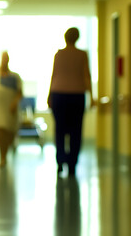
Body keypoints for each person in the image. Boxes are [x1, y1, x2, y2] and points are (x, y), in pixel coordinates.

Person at [47, 27, 95, 177]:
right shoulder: (82, 55)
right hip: (76, 96)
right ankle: (72, 164)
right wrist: (91, 96)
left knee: (60, 130)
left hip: (59, 95)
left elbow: (54, 75)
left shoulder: (59, 54)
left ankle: (60, 161)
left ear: (65, 38)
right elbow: (86, 76)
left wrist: (49, 96)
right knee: (76, 130)